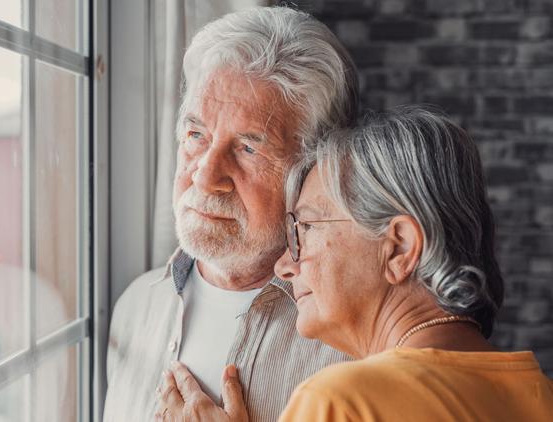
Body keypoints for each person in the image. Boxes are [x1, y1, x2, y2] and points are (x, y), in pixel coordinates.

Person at [158, 106, 553, 421]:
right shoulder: (540, 395)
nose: (285, 265)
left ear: (399, 247)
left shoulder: (340, 403)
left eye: (306, 227)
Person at [104, 6, 359, 422]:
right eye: (195, 135)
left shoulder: (356, 346)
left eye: (248, 148)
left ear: (314, 173)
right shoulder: (135, 305)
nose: (205, 177)